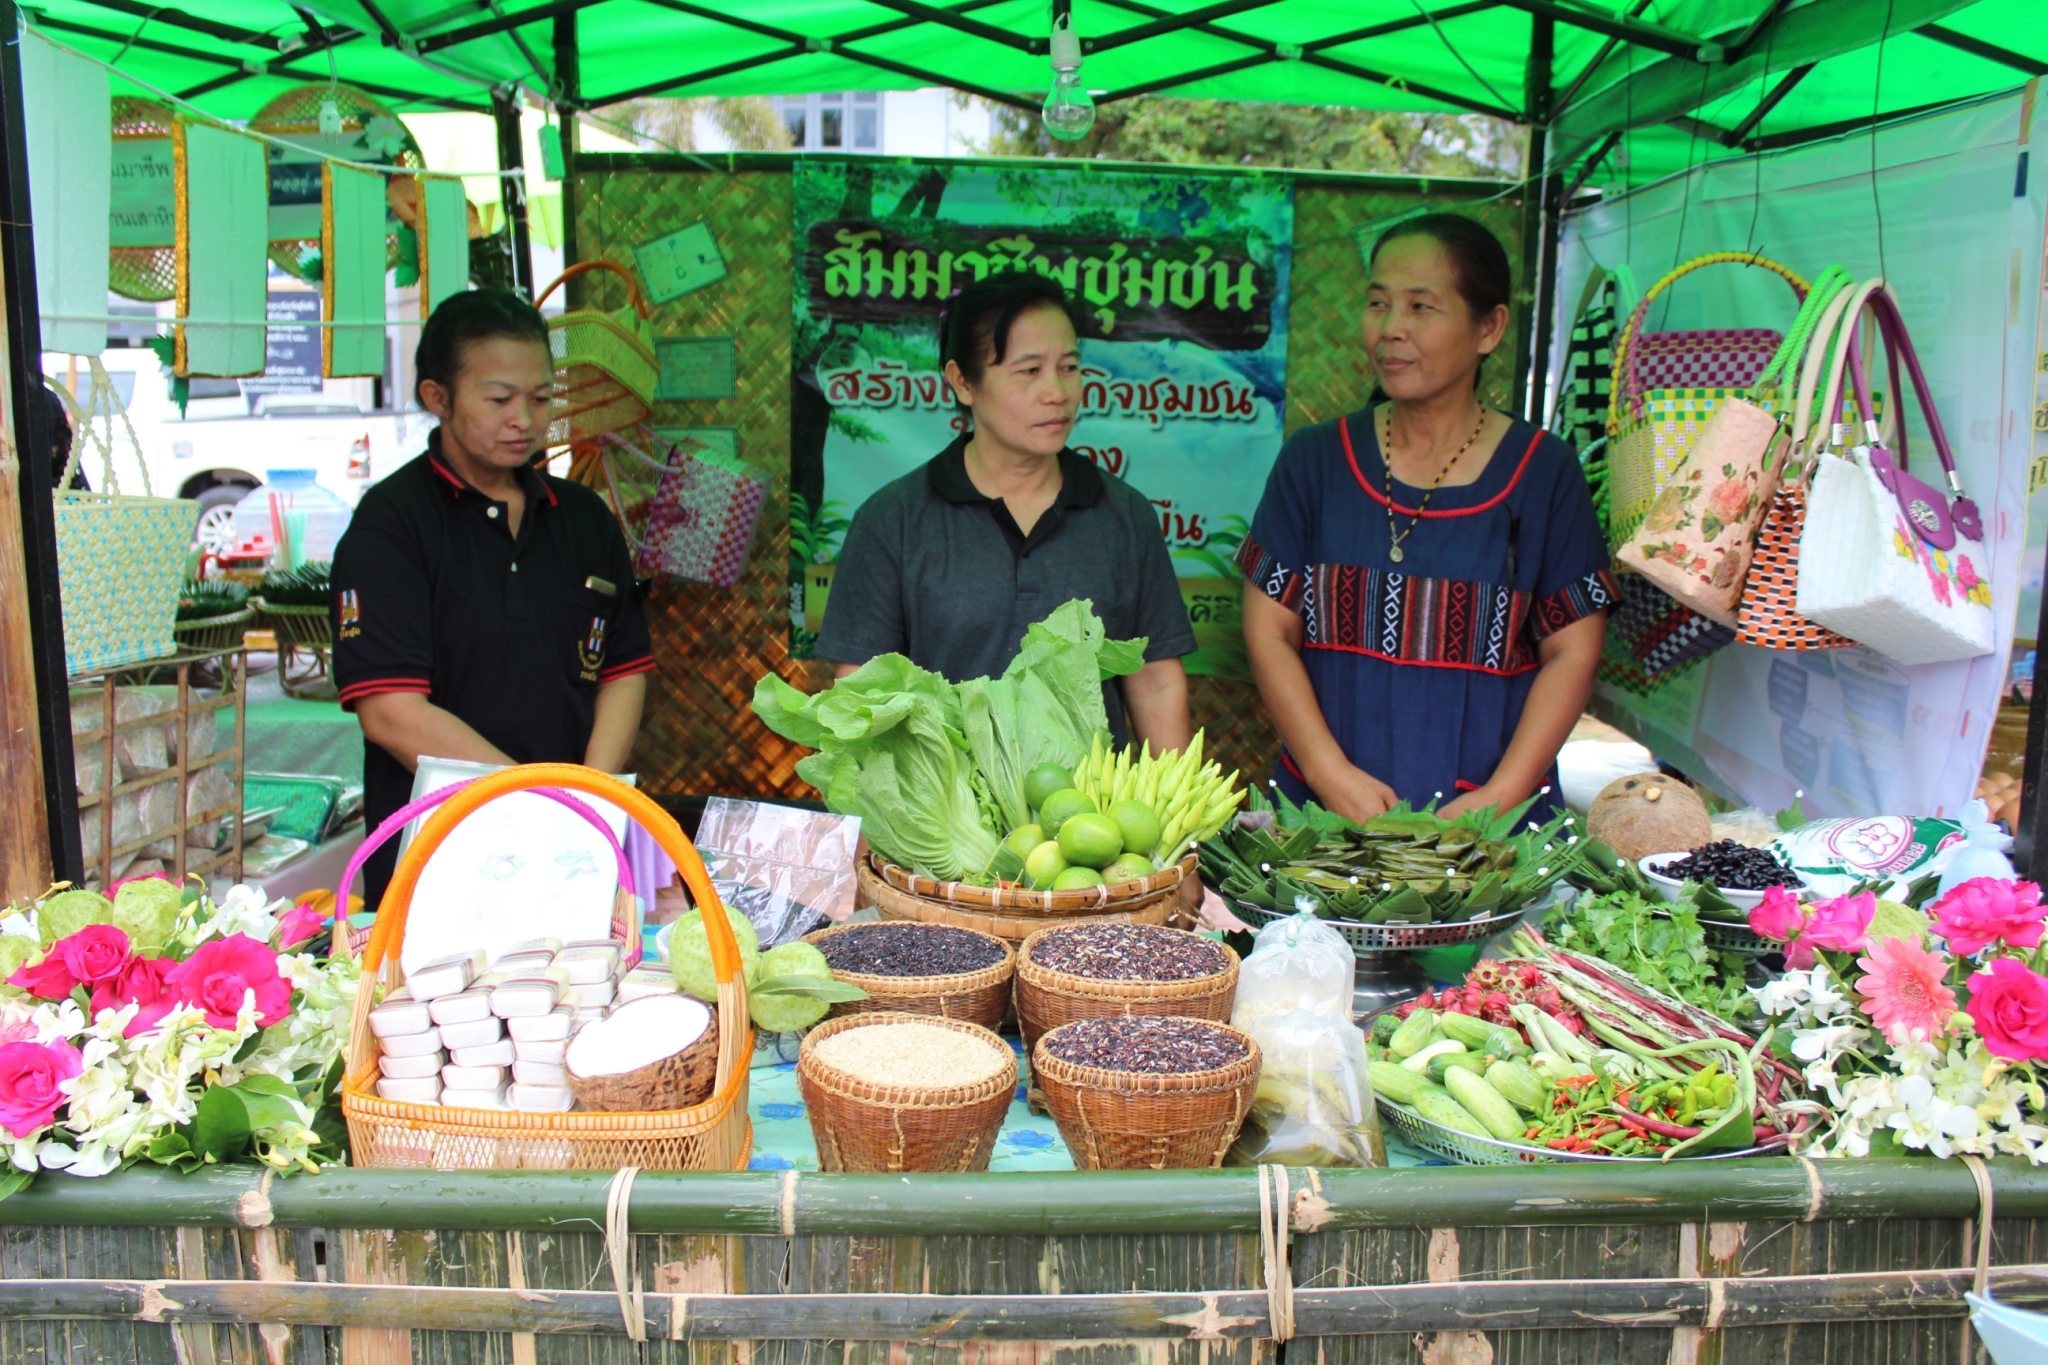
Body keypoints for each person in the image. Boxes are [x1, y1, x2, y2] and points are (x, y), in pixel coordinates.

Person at [1239, 214, 1615, 824]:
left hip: (1490, 831)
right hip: (1324, 820)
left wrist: (1498, 801)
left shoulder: (1543, 472)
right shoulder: (1314, 462)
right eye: (1378, 303)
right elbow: (1269, 630)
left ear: (1488, 328)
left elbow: (1572, 650)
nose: (1391, 329)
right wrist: (1330, 777)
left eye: (1421, 307)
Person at [333, 289, 655, 905]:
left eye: (540, 399)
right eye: (500, 398)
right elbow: (392, 712)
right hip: (437, 856)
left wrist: (591, 798)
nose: (525, 420)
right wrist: (543, 803)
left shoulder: (583, 518)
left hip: (570, 854)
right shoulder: (392, 525)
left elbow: (622, 668)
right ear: (438, 398)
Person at [816, 270, 1195, 752]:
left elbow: (1156, 681)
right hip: (946, 821)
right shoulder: (893, 521)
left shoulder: (1125, 517)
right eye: (1029, 371)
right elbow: (861, 695)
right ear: (962, 382)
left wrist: (1174, 822)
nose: (1057, 391)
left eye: (1070, 367)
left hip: (1091, 823)